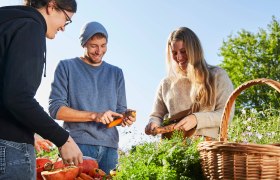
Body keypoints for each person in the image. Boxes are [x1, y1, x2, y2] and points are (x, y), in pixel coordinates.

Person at [0, 0, 83, 179]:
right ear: (52, 6)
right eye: (66, 20)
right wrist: (63, 139)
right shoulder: (30, 27)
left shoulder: (8, 21)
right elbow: (18, 97)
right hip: (8, 147)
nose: (63, 28)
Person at [49, 21, 136, 174]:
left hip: (110, 148)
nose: (99, 51)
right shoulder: (66, 67)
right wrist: (95, 115)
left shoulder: (116, 73)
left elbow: (119, 113)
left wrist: (125, 117)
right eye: (93, 46)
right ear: (84, 44)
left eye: (103, 45)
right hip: (78, 145)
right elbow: (56, 110)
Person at [145, 27, 234, 140]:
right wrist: (153, 123)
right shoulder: (166, 83)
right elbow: (156, 115)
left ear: (194, 50)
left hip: (207, 148)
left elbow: (226, 114)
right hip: (172, 148)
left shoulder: (217, 76)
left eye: (183, 51)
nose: (179, 57)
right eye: (174, 53)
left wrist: (196, 119)